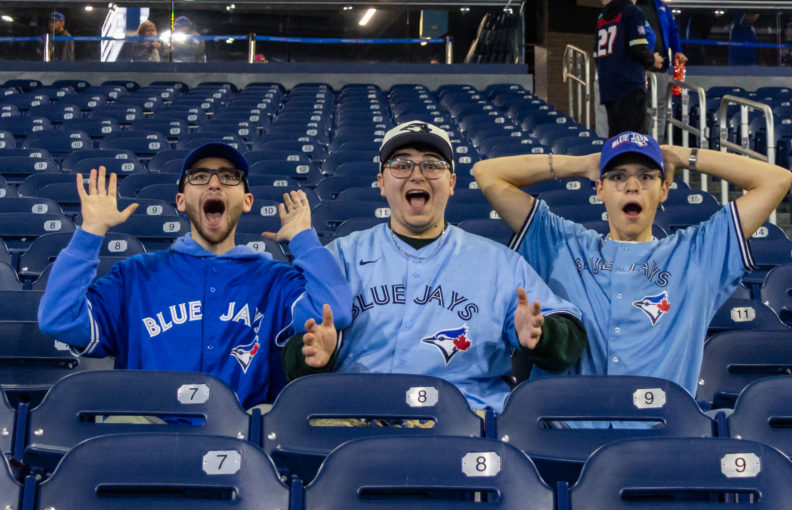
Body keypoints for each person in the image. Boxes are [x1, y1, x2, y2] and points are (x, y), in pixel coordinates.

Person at [282, 121, 587, 413]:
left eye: (432, 165)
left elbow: (567, 335)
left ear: (451, 182)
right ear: (382, 183)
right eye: (401, 165)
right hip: (355, 415)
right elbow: (298, 350)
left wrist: (543, 334)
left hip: (465, 419)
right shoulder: (341, 256)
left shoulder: (498, 262)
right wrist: (313, 354)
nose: (417, 175)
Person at [473, 132, 792, 398]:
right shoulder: (562, 243)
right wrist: (583, 164)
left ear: (664, 189)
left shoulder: (696, 255)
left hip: (658, 434)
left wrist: (680, 156)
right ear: (599, 188)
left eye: (647, 176)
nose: (632, 186)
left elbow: (776, 179)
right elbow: (488, 173)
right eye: (617, 176)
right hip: (564, 427)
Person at [38, 143, 353, 409]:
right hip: (149, 433)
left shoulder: (275, 279)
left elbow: (333, 310)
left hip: (243, 438)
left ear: (246, 202)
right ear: (180, 200)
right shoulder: (134, 276)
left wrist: (303, 238)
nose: (214, 184)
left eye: (228, 177)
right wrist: (90, 232)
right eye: (200, 177)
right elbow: (58, 319)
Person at [595, 0, 664, 136]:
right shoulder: (632, 11)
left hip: (609, 88)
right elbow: (638, 47)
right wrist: (652, 60)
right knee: (634, 139)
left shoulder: (602, 17)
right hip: (629, 85)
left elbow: (596, 57)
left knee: (616, 140)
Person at [636, 0, 687, 142]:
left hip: (661, 69)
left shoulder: (661, 6)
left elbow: (673, 30)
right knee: (640, 108)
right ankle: (640, 143)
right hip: (640, 68)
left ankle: (656, 143)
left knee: (660, 109)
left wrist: (677, 51)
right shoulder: (631, 6)